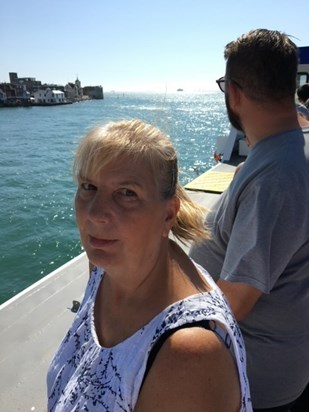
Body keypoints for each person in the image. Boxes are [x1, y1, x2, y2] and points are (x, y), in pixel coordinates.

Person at [46, 119, 252, 411]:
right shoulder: (104, 268)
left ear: (168, 214)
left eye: (127, 193)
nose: (95, 214)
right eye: (88, 186)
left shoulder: (187, 356)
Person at [190, 29, 309, 411]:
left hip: (255, 385)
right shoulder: (287, 152)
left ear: (234, 93)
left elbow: (234, 305)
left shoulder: (275, 179)